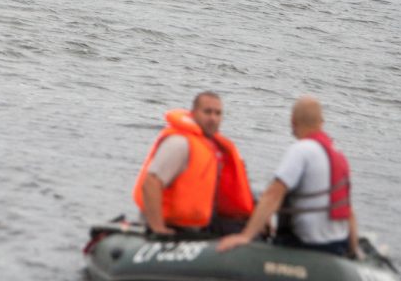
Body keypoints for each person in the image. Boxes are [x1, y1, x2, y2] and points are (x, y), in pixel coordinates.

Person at [217, 96, 360, 257]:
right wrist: (354, 251)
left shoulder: (301, 150)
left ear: (293, 122)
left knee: (258, 228)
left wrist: (246, 236)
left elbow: (273, 194)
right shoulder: (338, 156)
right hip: (337, 245)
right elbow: (349, 210)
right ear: (321, 122)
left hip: (305, 245)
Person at [132, 91, 254, 236]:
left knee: (251, 229)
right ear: (193, 113)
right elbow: (151, 183)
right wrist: (158, 228)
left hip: (197, 226)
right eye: (207, 112)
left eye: (217, 113)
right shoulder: (180, 144)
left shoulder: (214, 149)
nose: (213, 118)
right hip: (169, 225)